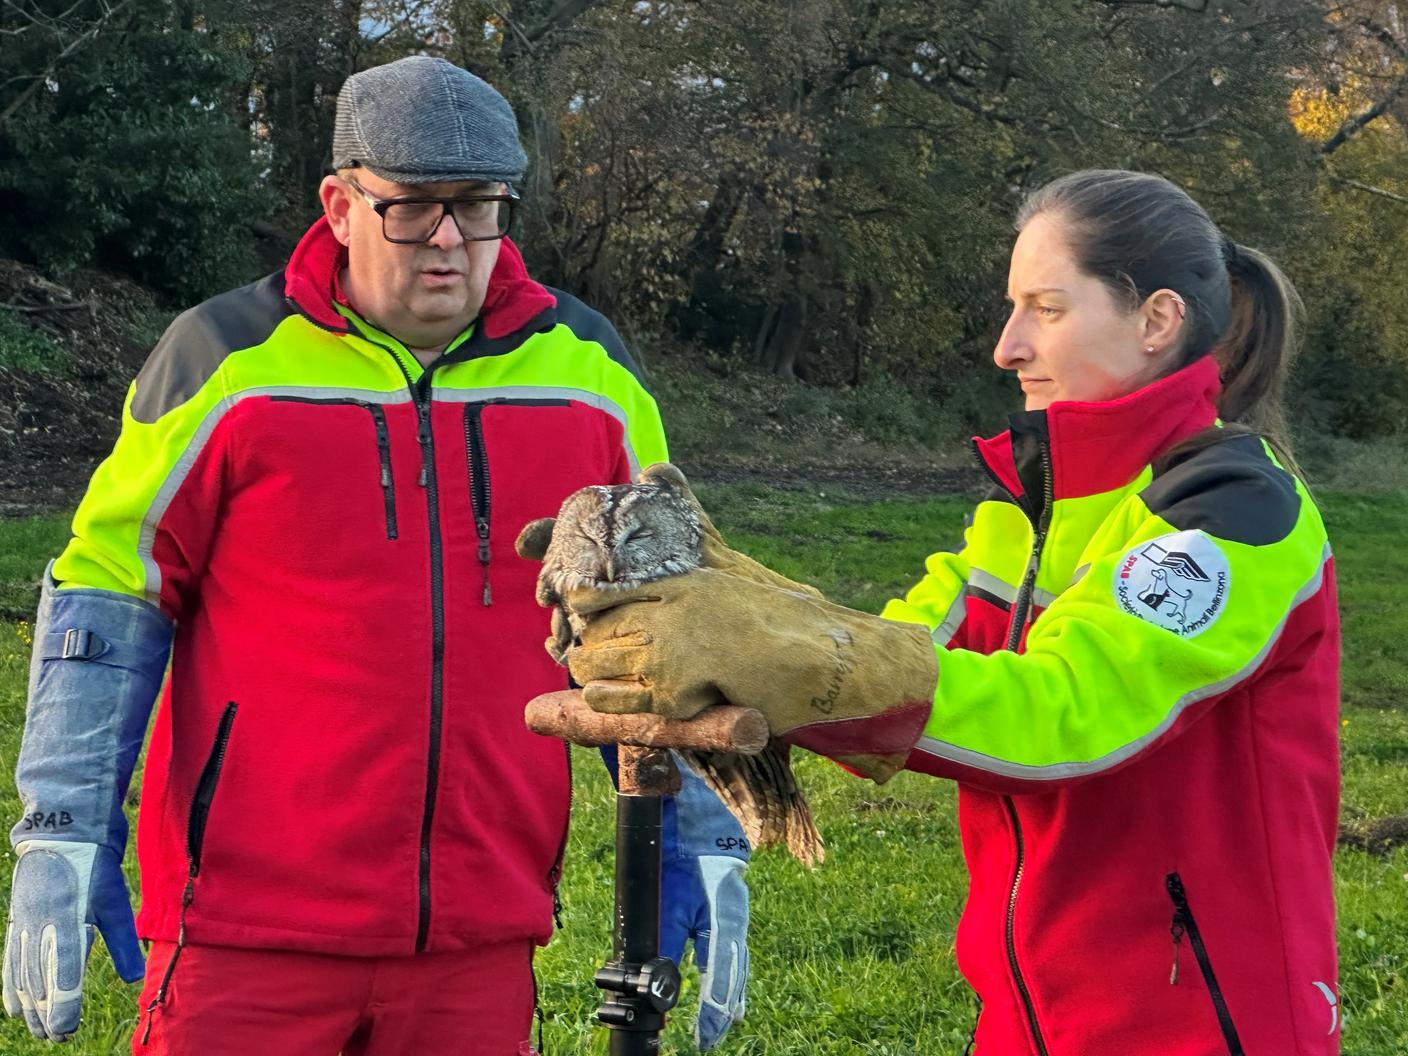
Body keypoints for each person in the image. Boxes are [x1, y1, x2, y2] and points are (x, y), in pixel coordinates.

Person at [2, 56, 748, 1054]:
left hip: (481, 931)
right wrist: (62, 819)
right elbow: (111, 586)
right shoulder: (225, 361)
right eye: (413, 207)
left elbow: (661, 623)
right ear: (341, 205)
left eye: (477, 207)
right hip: (244, 931)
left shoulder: (593, 379)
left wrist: (701, 831)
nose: (448, 240)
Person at [553, 170, 1340, 1055]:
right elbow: (885, 650)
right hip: (1024, 1015)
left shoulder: (1234, 510)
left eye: (1046, 307)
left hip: (1200, 1018)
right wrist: (710, 603)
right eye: (1013, 308)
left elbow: (1064, 718)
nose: (1007, 346)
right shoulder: (1028, 509)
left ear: (1156, 322)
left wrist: (804, 664)